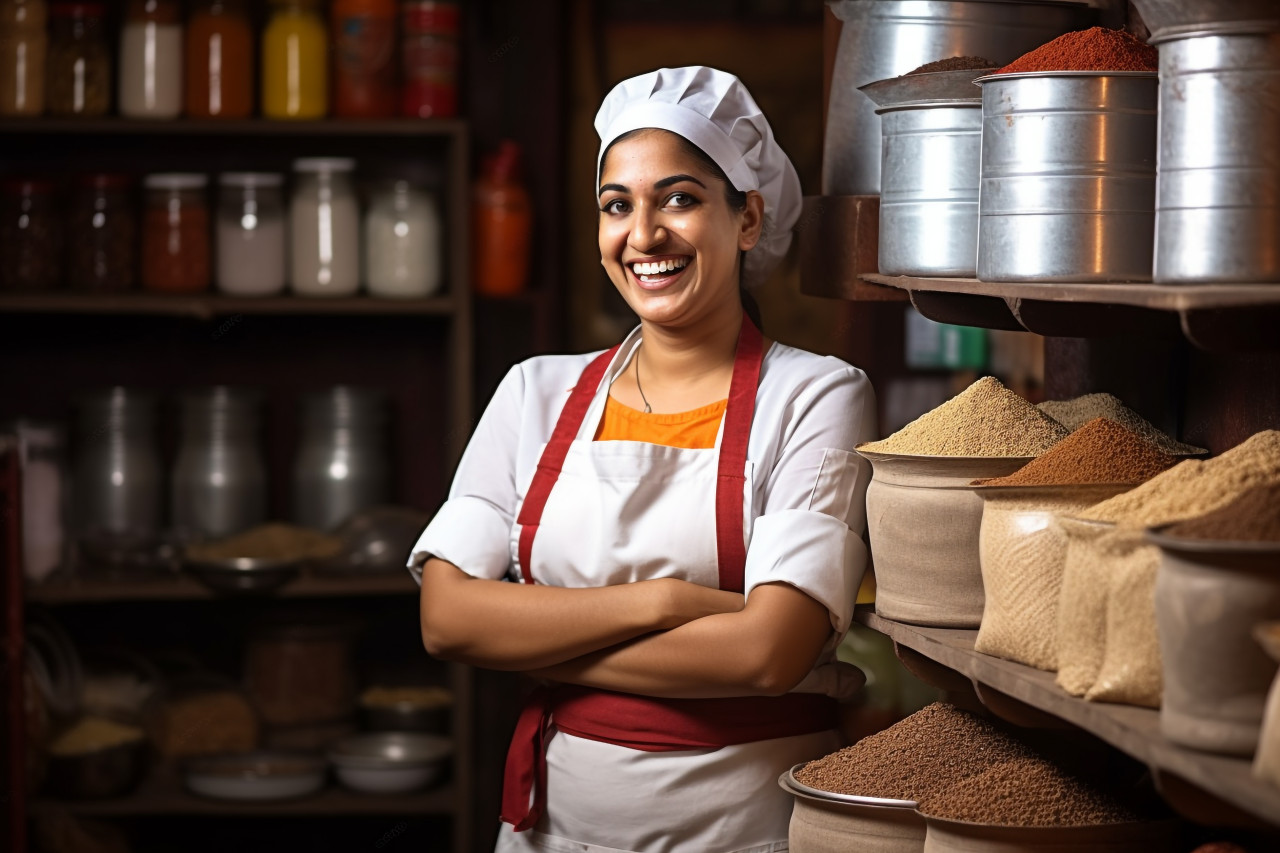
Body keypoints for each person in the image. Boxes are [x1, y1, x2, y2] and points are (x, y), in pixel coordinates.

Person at [408, 65, 878, 852]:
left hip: (745, 826)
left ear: (749, 218)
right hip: (556, 827)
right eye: (616, 205)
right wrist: (663, 602)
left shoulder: (817, 394)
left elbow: (769, 651)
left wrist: (540, 641)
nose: (644, 235)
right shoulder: (536, 393)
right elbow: (448, 617)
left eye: (681, 198)